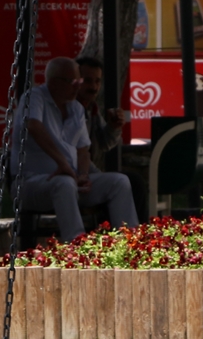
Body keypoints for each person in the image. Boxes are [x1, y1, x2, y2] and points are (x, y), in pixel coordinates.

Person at [11, 56, 139, 241]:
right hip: (32, 182)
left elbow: (83, 150)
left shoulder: (76, 109)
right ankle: (77, 245)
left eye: (79, 81)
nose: (78, 87)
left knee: (119, 182)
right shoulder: (34, 97)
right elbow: (33, 126)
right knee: (64, 183)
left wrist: (84, 175)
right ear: (54, 82)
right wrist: (62, 164)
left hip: (72, 181)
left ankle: (130, 242)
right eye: (74, 82)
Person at [75, 55, 147, 221]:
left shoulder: (90, 108)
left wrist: (114, 127)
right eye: (87, 80)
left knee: (132, 182)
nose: (93, 87)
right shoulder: (70, 108)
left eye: (97, 81)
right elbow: (76, 152)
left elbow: (105, 142)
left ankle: (138, 234)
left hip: (86, 174)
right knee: (127, 182)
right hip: (75, 175)